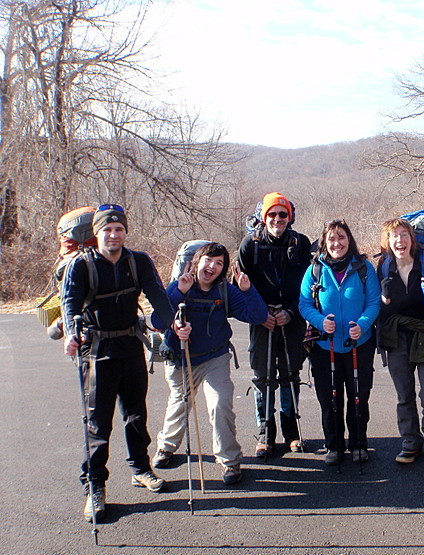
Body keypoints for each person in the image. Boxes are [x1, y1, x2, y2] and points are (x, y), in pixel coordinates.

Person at [61, 204, 191, 523]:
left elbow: (158, 296)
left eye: (119, 229)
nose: (114, 234)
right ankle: (95, 487)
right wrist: (70, 333)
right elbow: (70, 304)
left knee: (136, 414)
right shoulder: (81, 266)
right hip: (97, 351)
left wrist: (171, 322)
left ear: (125, 232)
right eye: (107, 229)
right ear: (96, 232)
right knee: (98, 424)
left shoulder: (138, 261)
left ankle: (140, 469)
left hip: (131, 346)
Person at [151, 242, 269, 485]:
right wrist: (178, 294)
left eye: (219, 263)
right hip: (180, 357)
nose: (212, 267)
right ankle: (167, 447)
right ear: (197, 261)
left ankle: (230, 461)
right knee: (180, 402)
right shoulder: (180, 285)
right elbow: (157, 321)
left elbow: (257, 316)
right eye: (208, 260)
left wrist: (248, 291)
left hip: (215, 356)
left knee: (220, 404)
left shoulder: (225, 291)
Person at [299, 220, 381, 466]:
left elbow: (374, 302)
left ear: (349, 240)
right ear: (325, 242)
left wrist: (363, 325)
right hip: (326, 346)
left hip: (359, 344)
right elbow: (304, 304)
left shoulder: (364, 267)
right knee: (330, 398)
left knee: (358, 396)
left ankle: (358, 444)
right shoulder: (314, 269)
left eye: (341, 238)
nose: (337, 243)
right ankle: (333, 445)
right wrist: (321, 321)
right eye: (332, 239)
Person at [238, 192, 312, 459]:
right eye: (272, 214)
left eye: (282, 214)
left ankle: (291, 432)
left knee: (290, 375)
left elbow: (308, 286)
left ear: (289, 217)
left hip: (292, 319)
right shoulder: (250, 245)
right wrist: (260, 314)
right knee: (263, 378)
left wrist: (291, 312)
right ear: (263, 217)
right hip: (262, 321)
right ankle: (265, 434)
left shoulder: (301, 243)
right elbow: (241, 287)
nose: (277, 219)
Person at [378, 217, 424, 466]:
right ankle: (410, 441)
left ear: (412, 239)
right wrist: (382, 300)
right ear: (387, 241)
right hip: (396, 335)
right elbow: (374, 306)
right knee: (404, 393)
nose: (400, 240)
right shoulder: (383, 267)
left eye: (404, 234)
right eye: (394, 235)